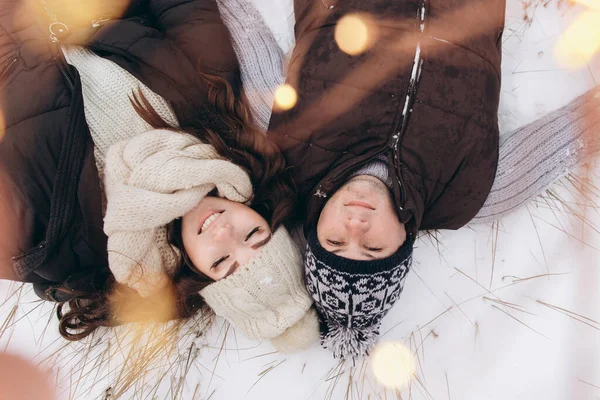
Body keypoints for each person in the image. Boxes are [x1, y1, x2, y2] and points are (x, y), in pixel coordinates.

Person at [264, 0, 600, 360]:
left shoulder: (286, 153)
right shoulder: (471, 194)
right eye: (373, 248)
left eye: (334, 240)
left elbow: (246, 35)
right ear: (404, 242)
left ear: (314, 227)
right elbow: (579, 128)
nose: (356, 226)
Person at [0, 0, 319, 352]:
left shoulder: (59, 249)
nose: (225, 232)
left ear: (197, 275)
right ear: (261, 210)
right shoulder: (217, 114)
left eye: (221, 261)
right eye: (254, 234)